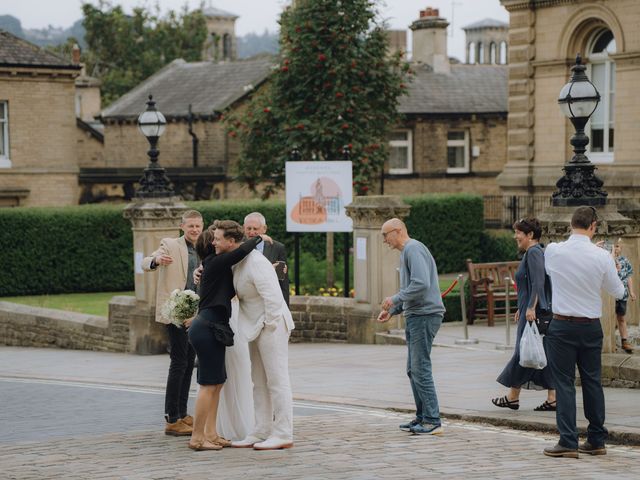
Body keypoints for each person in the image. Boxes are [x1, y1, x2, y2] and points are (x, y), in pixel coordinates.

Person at [543, 206, 625, 459]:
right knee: (592, 382)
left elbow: (551, 272)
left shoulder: (553, 251)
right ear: (593, 226)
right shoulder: (600, 256)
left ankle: (568, 441)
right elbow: (619, 291)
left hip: (562, 325)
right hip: (590, 326)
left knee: (564, 383)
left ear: (571, 225)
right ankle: (596, 439)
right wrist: (612, 266)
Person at [187, 221, 263, 451]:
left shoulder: (211, 265)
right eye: (214, 240)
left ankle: (211, 433)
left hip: (213, 328)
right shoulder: (217, 262)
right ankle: (197, 438)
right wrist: (259, 238)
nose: (215, 242)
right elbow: (241, 250)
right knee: (208, 385)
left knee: (217, 382)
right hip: (207, 328)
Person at [377, 218, 446, 435]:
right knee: (412, 369)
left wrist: (394, 299)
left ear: (397, 231)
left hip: (425, 315)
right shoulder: (409, 251)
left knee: (420, 368)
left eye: (385, 235)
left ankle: (432, 420)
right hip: (418, 314)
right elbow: (414, 289)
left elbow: (421, 283)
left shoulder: (413, 249)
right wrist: (394, 311)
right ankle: (422, 417)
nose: (384, 240)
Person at [230, 239, 296, 450]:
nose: (214, 242)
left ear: (231, 241)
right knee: (258, 380)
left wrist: (270, 324)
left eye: (217, 239)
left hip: (271, 326)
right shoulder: (236, 262)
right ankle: (261, 429)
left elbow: (273, 297)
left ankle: (283, 432)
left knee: (277, 380)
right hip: (255, 327)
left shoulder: (256, 261)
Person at [142, 209, 203, 437]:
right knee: (179, 362)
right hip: (175, 311)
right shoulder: (170, 244)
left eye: (198, 226)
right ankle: (171, 417)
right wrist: (157, 260)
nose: (195, 230)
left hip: (196, 313)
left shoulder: (205, 246)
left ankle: (183, 413)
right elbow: (146, 262)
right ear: (182, 226)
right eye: (191, 226)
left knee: (189, 362)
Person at [492, 217, 556, 411]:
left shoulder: (534, 252)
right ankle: (552, 398)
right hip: (529, 311)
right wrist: (523, 306)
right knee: (536, 353)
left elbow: (538, 282)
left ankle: (513, 397)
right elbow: (530, 285)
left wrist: (530, 308)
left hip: (533, 315)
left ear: (530, 235)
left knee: (525, 353)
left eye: (518, 232)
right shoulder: (532, 253)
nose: (515, 236)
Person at [243, 212, 290, 305]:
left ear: (264, 229)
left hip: (268, 302)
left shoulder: (277, 248)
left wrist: (285, 307)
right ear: (243, 228)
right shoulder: (238, 247)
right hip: (246, 302)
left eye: (255, 229)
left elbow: (282, 281)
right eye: (248, 228)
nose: (252, 232)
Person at [613, 240, 636, 354]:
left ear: (621, 248)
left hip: (622, 295)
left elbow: (628, 277)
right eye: (613, 246)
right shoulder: (607, 260)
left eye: (617, 246)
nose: (615, 248)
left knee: (621, 318)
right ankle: (611, 342)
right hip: (610, 296)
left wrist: (631, 292)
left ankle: (625, 341)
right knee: (610, 319)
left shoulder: (625, 261)